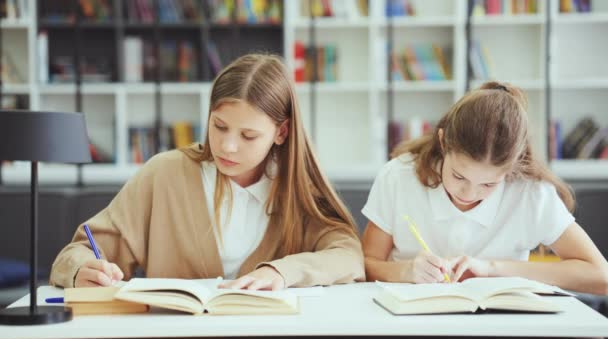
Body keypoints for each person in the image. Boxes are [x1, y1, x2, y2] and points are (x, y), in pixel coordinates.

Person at [50, 54, 365, 290]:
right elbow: (78, 251)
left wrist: (281, 272)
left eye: (248, 136)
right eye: (220, 126)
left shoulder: (296, 190)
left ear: (281, 133)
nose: (227, 146)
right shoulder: (165, 174)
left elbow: (348, 256)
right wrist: (81, 270)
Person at [361, 81, 608, 295]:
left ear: (512, 168)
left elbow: (601, 277)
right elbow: (364, 264)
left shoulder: (530, 193)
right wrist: (405, 271)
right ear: (443, 141)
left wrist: (493, 269)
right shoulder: (399, 176)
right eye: (458, 176)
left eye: (489, 184)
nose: (468, 193)